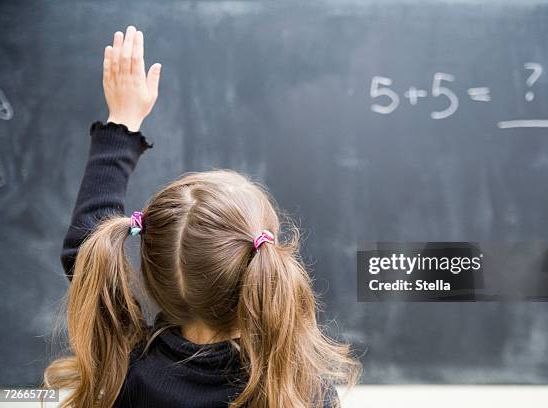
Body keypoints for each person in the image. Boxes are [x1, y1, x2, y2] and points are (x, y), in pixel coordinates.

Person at [42, 26, 360, 408]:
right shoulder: (298, 387)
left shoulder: (124, 368)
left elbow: (87, 248)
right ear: (263, 262)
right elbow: (88, 252)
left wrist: (122, 124)